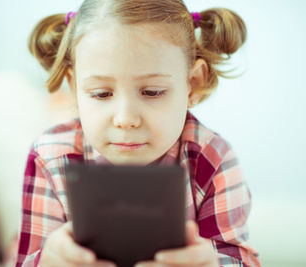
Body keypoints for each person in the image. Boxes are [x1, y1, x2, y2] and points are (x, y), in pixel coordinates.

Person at [16, 0, 261, 266]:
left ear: (193, 84)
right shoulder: (51, 156)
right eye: (101, 94)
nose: (125, 119)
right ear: (74, 87)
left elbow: (240, 260)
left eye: (152, 92)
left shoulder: (213, 158)